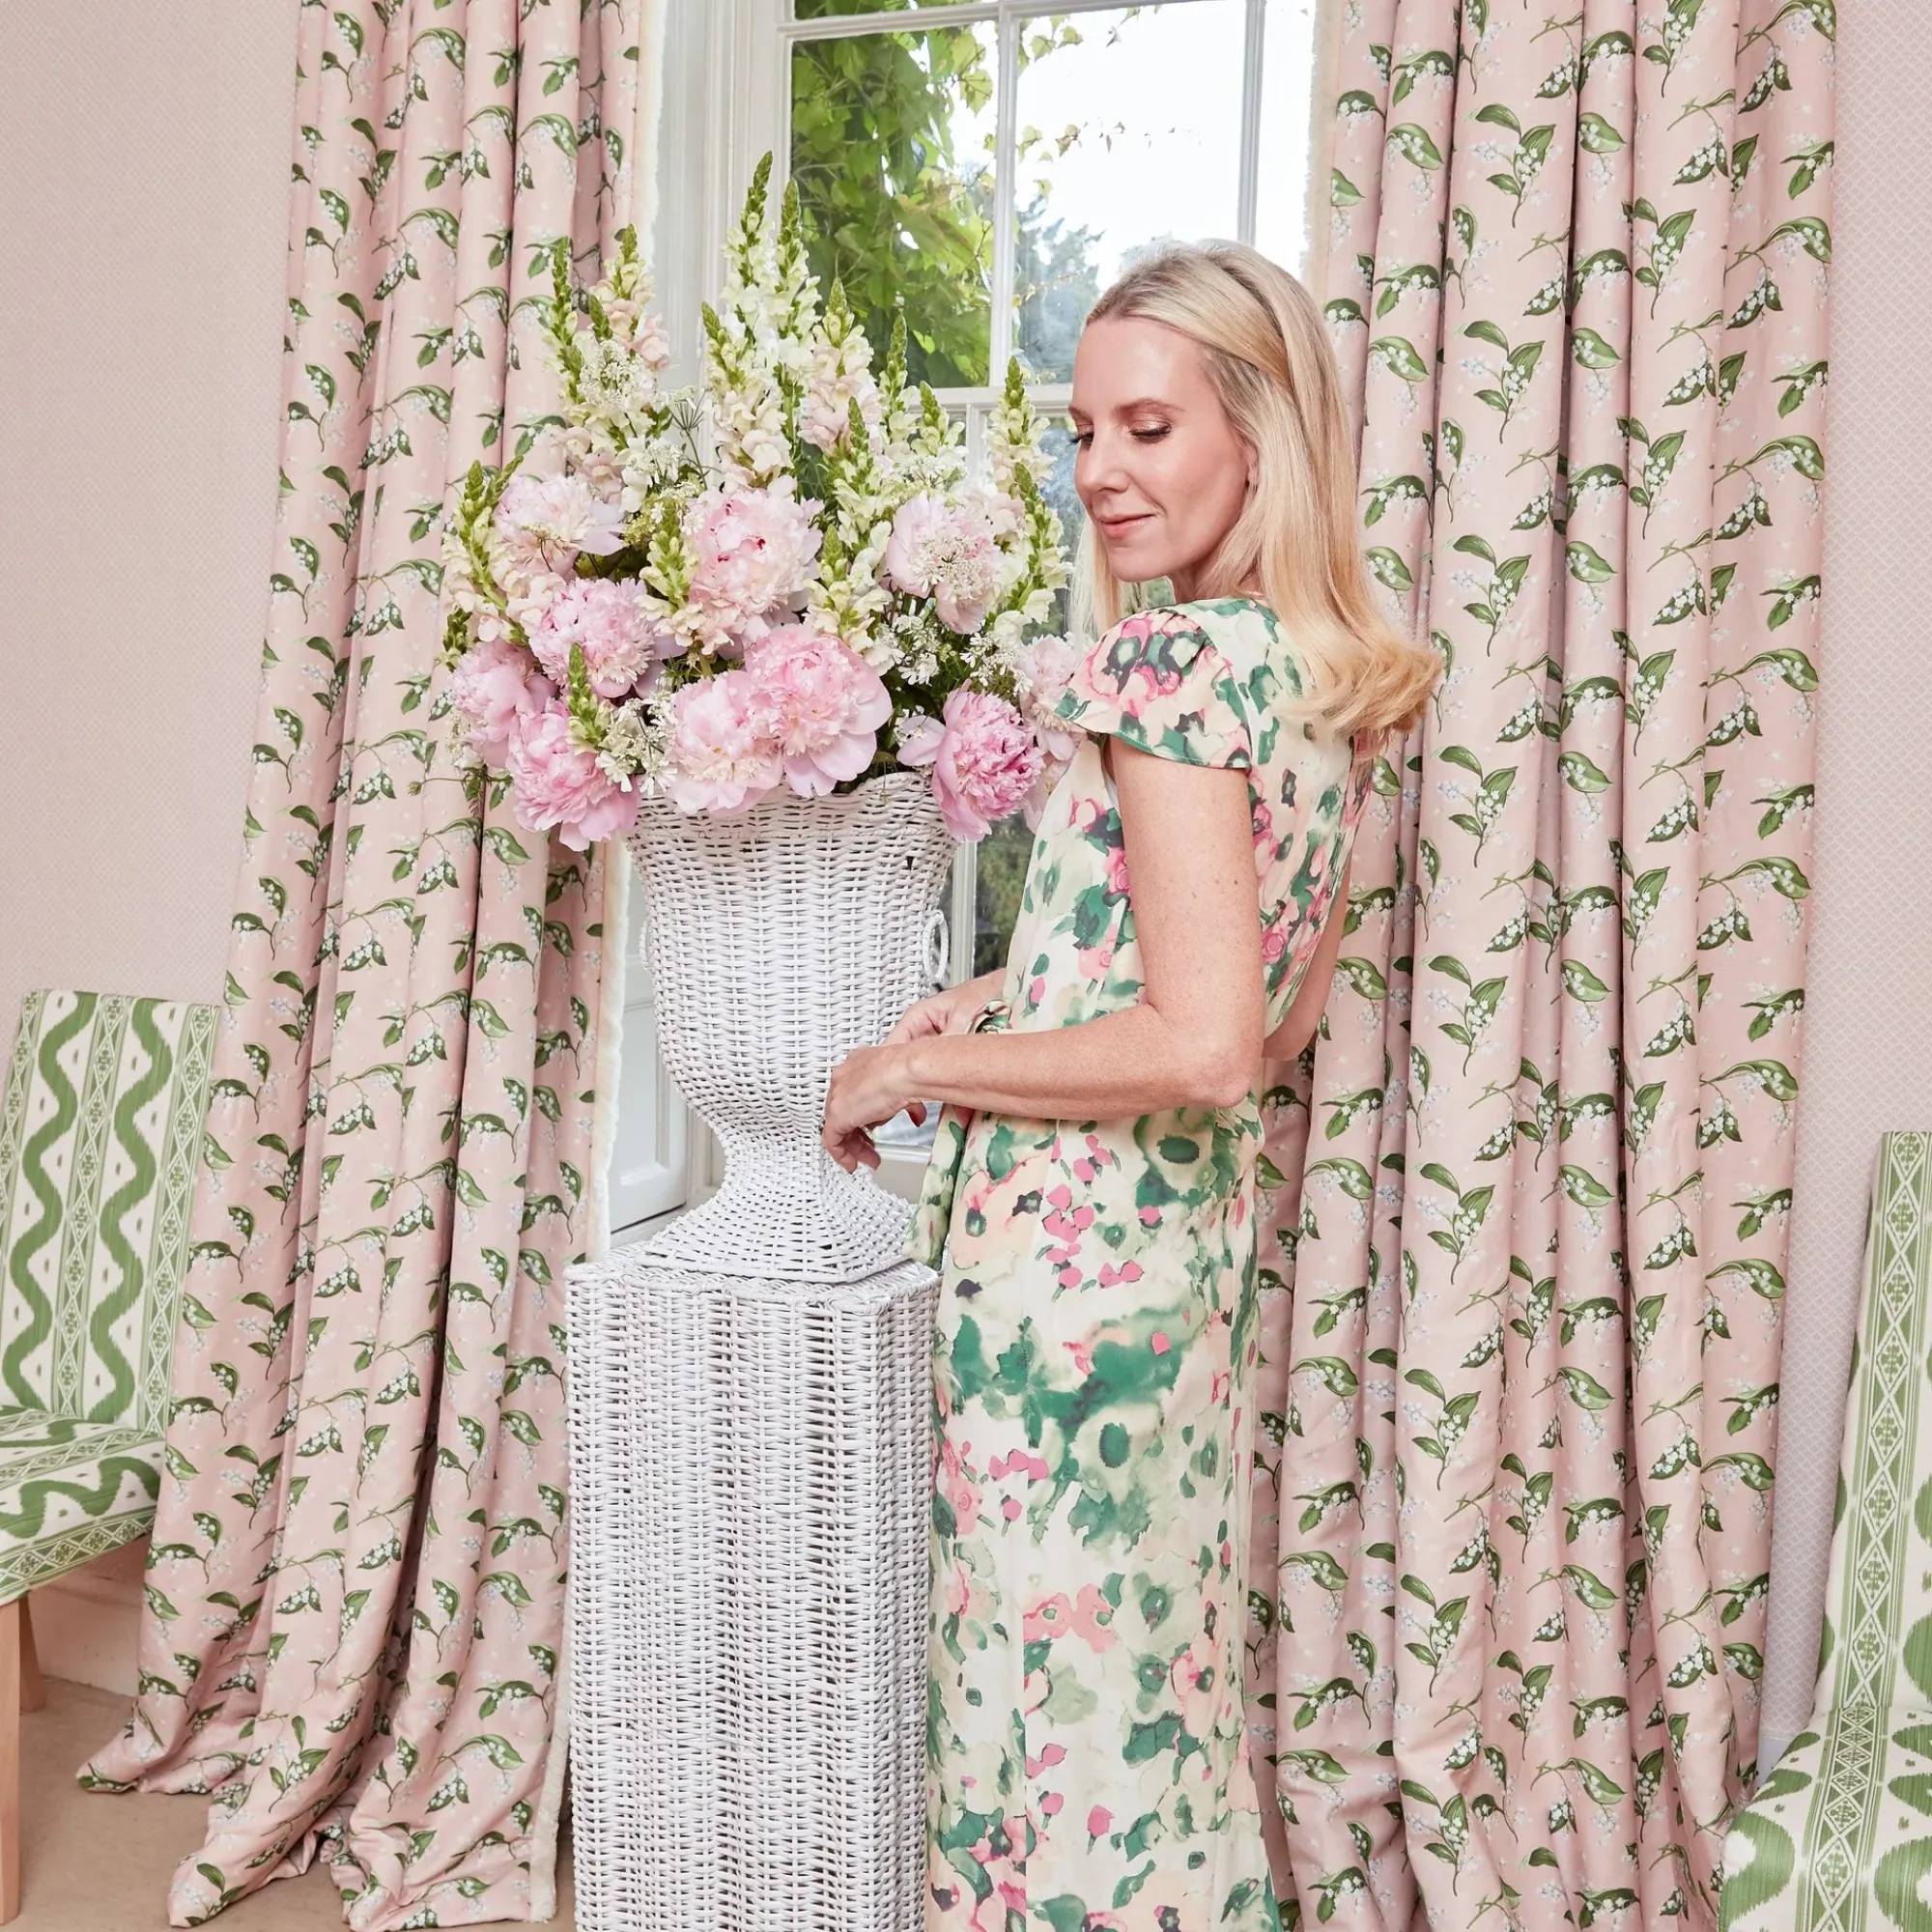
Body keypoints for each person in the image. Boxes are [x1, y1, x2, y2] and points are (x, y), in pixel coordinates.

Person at [822, 242, 1437, 1930]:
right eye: (1084, 429)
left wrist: (917, 1060)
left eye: (1148, 428)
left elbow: (1206, 1043)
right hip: (1181, 1277)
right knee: (1143, 1727)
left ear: (1261, 433)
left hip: (1065, 1302)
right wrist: (1010, 994)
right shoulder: (1317, 680)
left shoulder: (1169, 670)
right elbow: (1262, 1013)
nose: (1100, 469)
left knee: (1044, 1744)